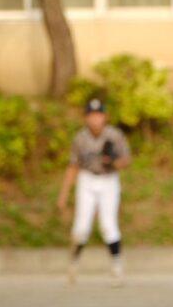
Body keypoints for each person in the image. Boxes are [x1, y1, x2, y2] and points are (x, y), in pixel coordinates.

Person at [56, 98, 132, 287]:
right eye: (91, 115)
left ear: (105, 117)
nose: (95, 119)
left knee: (108, 224)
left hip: (108, 179)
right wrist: (64, 193)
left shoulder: (114, 135)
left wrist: (114, 161)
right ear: (86, 117)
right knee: (81, 227)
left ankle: (117, 266)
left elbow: (126, 160)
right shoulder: (80, 138)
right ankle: (73, 263)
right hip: (87, 178)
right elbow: (73, 166)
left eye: (99, 115)